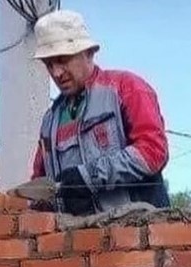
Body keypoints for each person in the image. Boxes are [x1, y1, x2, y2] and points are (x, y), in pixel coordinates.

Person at [28, 9, 170, 215]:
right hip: (77, 240)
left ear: (89, 53)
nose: (56, 72)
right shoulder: (50, 121)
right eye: (49, 64)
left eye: (63, 59)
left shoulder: (127, 88)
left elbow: (153, 151)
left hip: (137, 235)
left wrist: (89, 177)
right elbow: (40, 183)